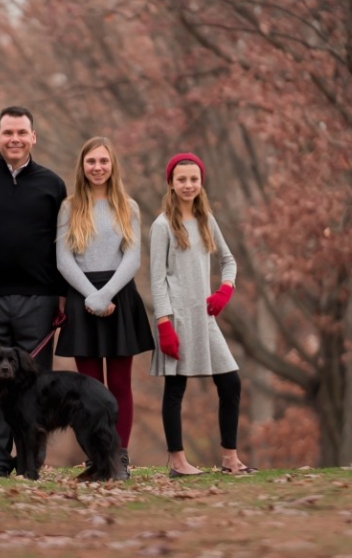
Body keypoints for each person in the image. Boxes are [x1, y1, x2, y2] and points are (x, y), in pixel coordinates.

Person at [0, 106, 67, 477]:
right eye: (8, 132)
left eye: (22, 132)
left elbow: (63, 245)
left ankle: (30, 461)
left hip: (38, 300)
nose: (15, 139)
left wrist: (61, 296)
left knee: (36, 384)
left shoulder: (52, 184)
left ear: (33, 137)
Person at [149, 152, 255, 476]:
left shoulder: (207, 219)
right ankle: (178, 462)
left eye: (194, 179)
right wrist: (164, 324)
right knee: (176, 389)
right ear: (170, 182)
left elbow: (229, 260)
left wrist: (225, 289)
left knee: (231, 383)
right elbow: (156, 279)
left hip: (204, 318)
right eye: (181, 179)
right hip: (176, 318)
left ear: (201, 182)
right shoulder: (162, 225)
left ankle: (229, 458)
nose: (188, 184)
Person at [55, 137, 154, 479]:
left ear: (113, 165)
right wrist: (91, 296)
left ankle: (120, 457)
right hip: (84, 298)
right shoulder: (69, 208)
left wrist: (107, 294)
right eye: (91, 162)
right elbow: (63, 259)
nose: (97, 167)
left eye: (103, 161)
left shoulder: (129, 207)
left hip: (119, 298)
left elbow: (133, 257)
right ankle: (98, 458)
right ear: (82, 167)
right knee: (88, 389)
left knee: (120, 384)